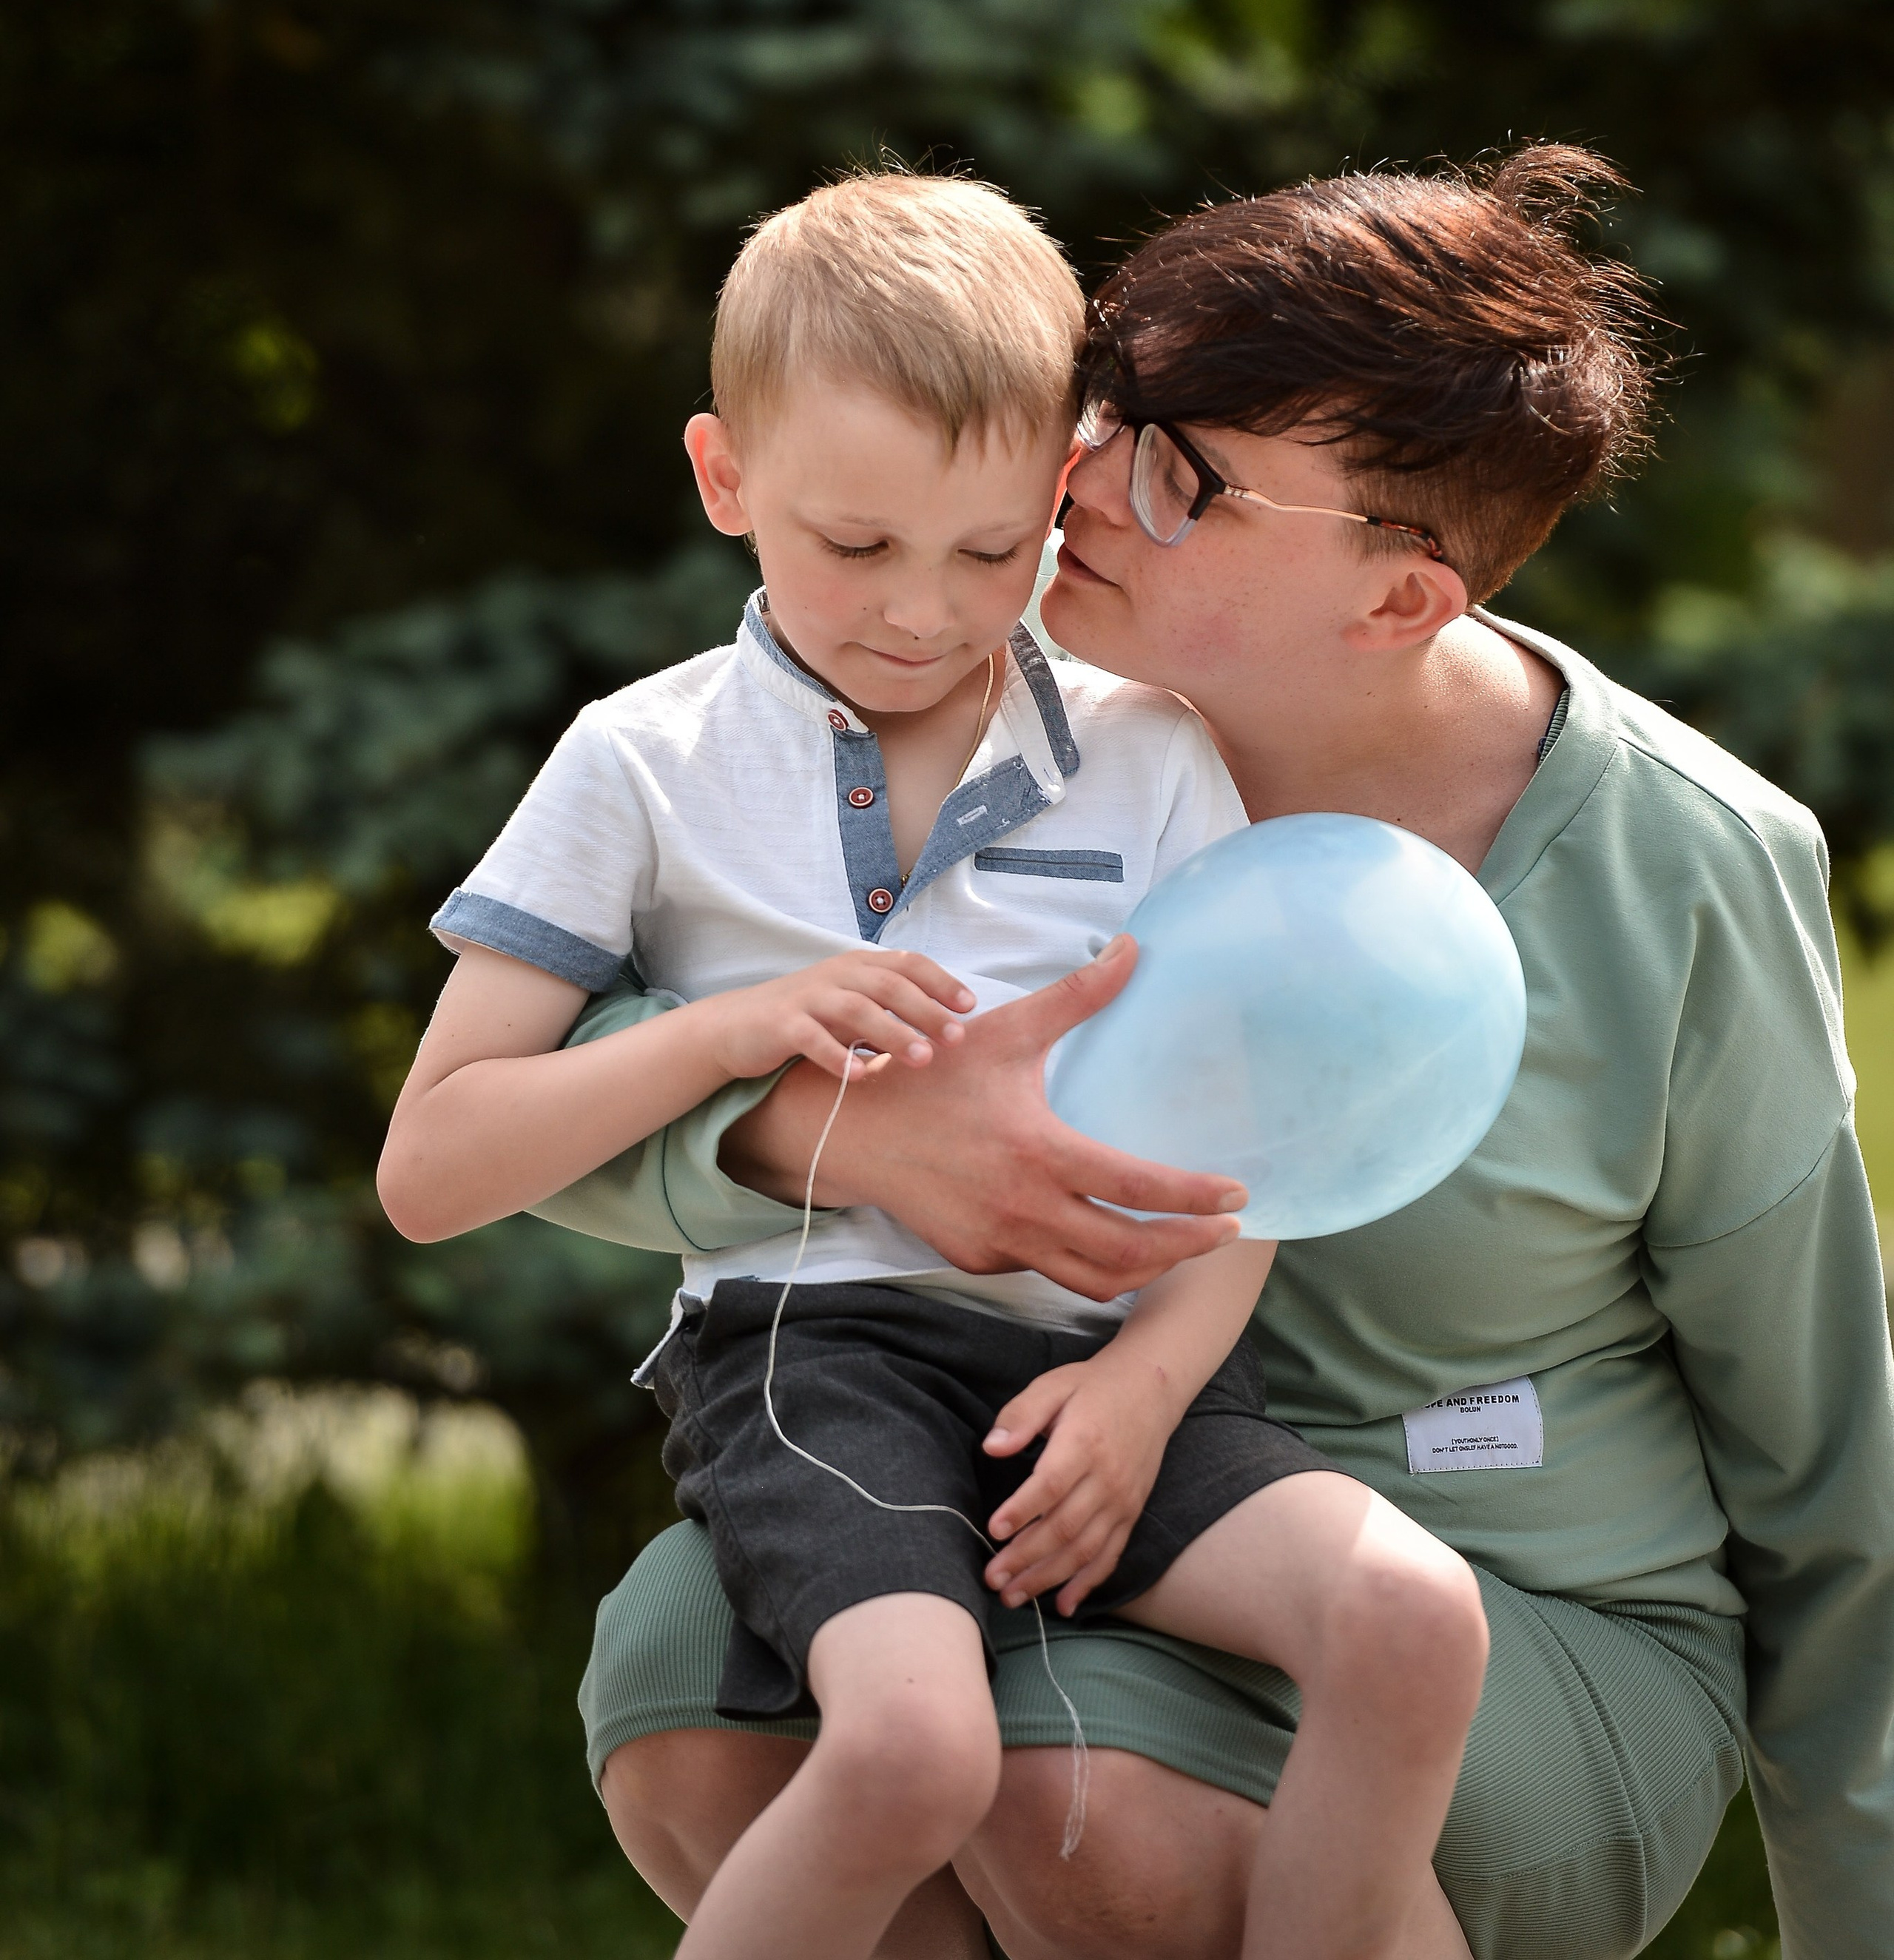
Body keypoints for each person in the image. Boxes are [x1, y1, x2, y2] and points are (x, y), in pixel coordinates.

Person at [562, 147, 1894, 1960]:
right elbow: (553, 1084)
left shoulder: (1686, 862)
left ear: (1400, 599)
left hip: (1506, 1591)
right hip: (1024, 1475)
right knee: (682, 1697)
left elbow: (1831, 1479)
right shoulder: (945, 655)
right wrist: (848, 1138)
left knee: (1074, 1809)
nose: (1080, 481)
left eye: (1179, 474)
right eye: (1112, 411)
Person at [376, 172, 1489, 1960]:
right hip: (818, 1364)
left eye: (993, 552)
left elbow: (1243, 1153)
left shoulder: (1150, 754)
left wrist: (1145, 1389)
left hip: (1110, 1365)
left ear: (1062, 487)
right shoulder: (636, 763)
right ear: (723, 480)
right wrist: (733, 1027)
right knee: (910, 1749)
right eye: (852, 545)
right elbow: (429, 1170)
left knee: (1412, 1624)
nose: (920, 611)